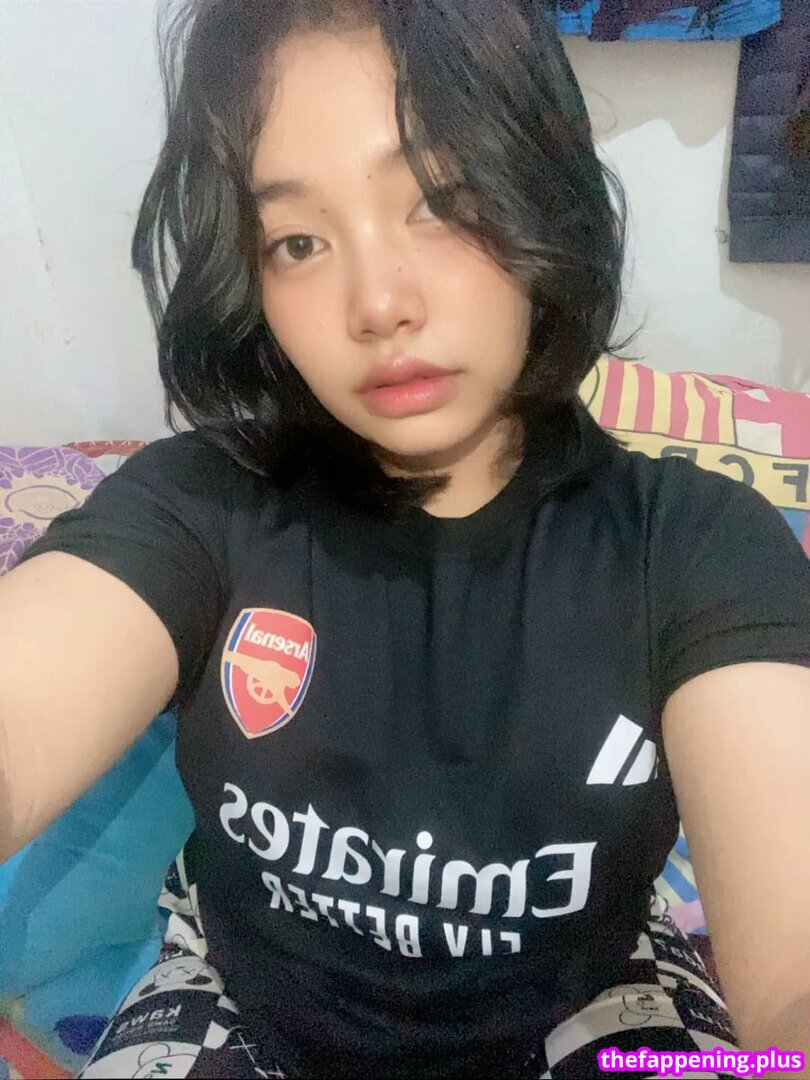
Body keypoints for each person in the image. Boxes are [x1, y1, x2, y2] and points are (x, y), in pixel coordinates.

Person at [1, 1, 809, 1077]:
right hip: (242, 998)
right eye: (298, 241)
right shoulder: (200, 505)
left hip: (597, 1003)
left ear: (542, 189)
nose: (376, 304)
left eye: (441, 202)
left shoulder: (698, 546)